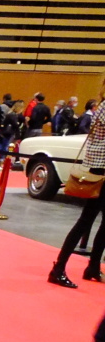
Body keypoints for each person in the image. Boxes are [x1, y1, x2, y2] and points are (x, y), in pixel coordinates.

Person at [48, 80, 105, 288]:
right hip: (101, 171)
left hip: (97, 169)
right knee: (86, 221)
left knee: (91, 221)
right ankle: (59, 268)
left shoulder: (100, 106)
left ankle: (91, 267)